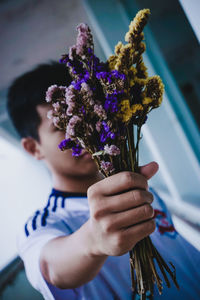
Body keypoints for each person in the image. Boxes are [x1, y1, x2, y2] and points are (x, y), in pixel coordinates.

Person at [7, 62, 200, 300]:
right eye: (63, 126)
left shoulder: (135, 185)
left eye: (87, 115)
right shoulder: (45, 224)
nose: (86, 131)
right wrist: (92, 239)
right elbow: (51, 267)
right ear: (33, 147)